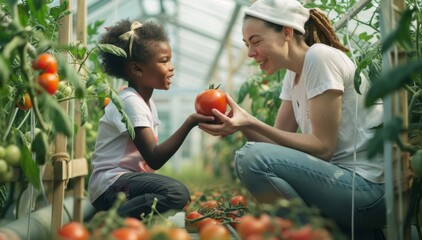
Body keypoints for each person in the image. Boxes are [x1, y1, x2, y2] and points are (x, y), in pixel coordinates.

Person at [199, 0, 386, 239]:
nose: (250, 53)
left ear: (287, 32)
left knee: (249, 158)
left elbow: (323, 147)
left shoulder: (320, 58)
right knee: (252, 155)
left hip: (367, 192)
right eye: (246, 44)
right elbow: (271, 146)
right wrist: (240, 123)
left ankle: (318, 234)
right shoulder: (293, 74)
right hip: (340, 187)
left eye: (256, 41)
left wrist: (251, 122)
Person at [88, 19, 214, 219]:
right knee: (176, 193)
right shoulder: (130, 101)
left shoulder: (146, 102)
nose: (171, 67)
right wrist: (191, 122)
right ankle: (109, 220)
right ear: (137, 69)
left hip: (123, 184)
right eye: (164, 61)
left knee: (176, 193)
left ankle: (127, 219)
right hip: (110, 186)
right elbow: (154, 158)